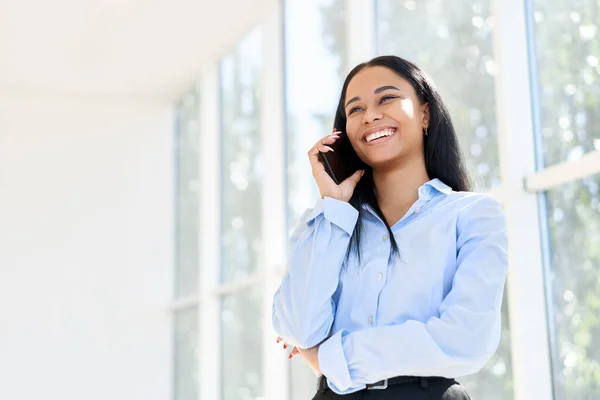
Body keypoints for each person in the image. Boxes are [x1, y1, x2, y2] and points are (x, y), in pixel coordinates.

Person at [272, 55, 508, 399]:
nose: (370, 116)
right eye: (355, 109)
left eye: (387, 98)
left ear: (425, 113)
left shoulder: (473, 215)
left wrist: (331, 357)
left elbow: (466, 339)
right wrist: (335, 208)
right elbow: (298, 328)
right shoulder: (328, 223)